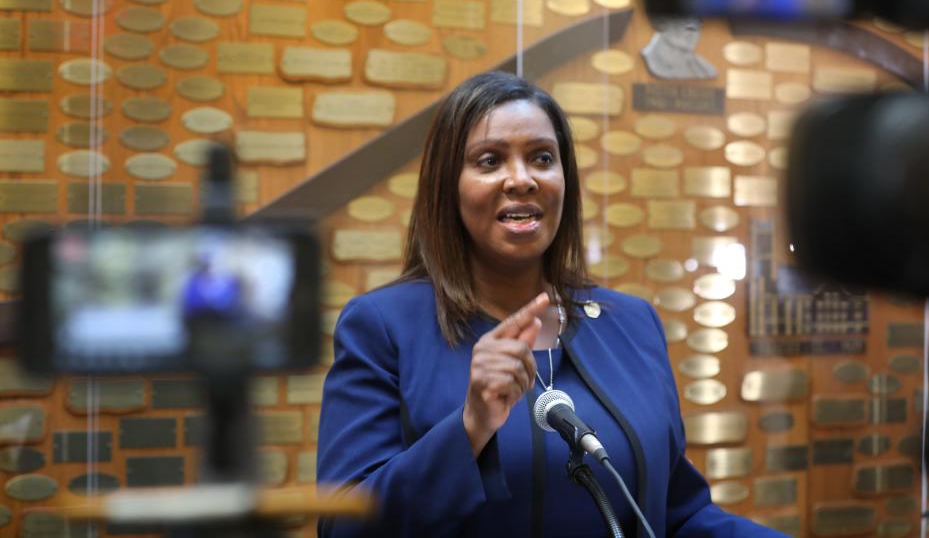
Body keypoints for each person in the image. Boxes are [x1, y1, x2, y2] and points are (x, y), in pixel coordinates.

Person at [315, 71, 784, 537]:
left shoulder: (632, 324)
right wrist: (471, 427)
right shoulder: (383, 327)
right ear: (448, 185)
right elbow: (343, 527)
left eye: (541, 157)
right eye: (489, 161)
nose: (521, 180)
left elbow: (676, 514)